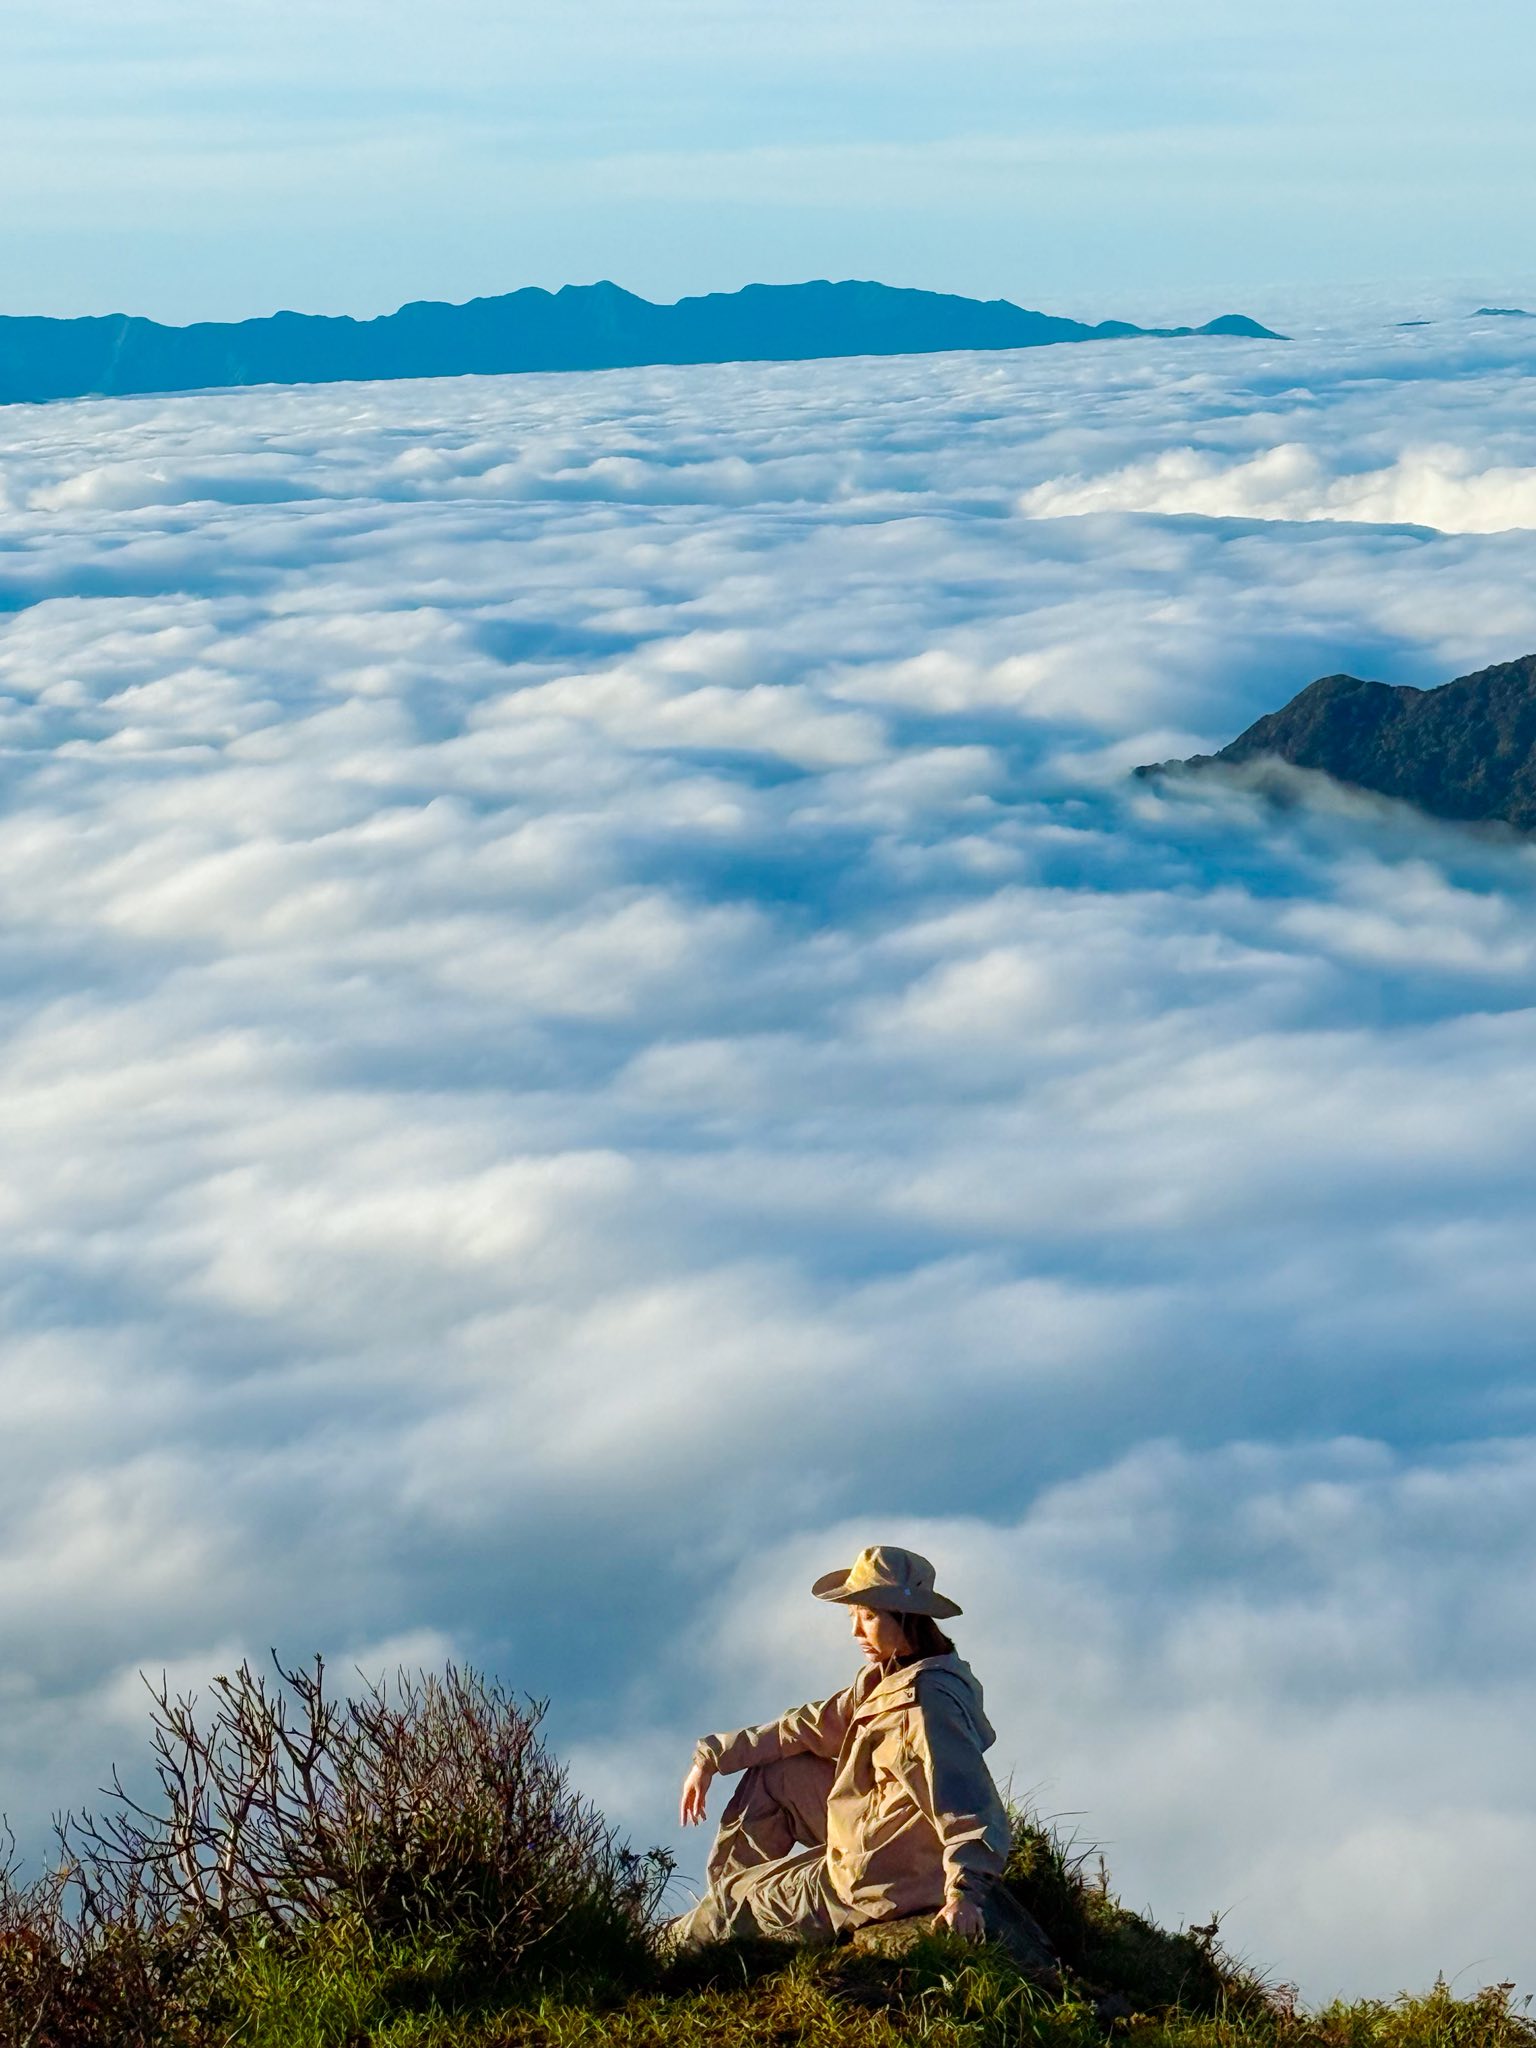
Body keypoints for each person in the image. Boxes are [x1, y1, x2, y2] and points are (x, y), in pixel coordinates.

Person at [667, 1544, 1012, 1950]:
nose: (855, 1631)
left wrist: (964, 1897)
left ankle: (687, 1938)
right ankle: (733, 1909)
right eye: (853, 1616)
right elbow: (808, 1726)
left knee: (729, 1906)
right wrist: (712, 1756)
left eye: (868, 1617)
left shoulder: (923, 1706)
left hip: (878, 1876)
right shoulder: (891, 1676)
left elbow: (968, 1805)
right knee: (778, 1775)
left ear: (907, 1618)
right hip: (875, 1833)